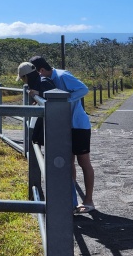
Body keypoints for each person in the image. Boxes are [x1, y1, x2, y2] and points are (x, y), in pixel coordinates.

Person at [30, 56, 95, 215]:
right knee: (69, 162)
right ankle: (71, 200)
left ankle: (89, 200)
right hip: (65, 125)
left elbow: (84, 89)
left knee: (83, 161)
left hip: (78, 125)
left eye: (37, 74)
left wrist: (65, 100)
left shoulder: (63, 76)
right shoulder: (48, 80)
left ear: (41, 70)